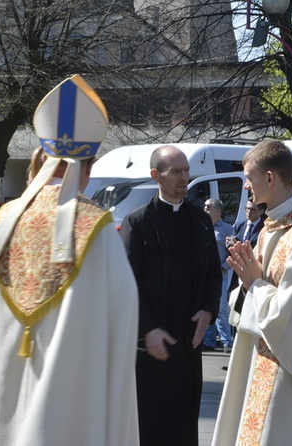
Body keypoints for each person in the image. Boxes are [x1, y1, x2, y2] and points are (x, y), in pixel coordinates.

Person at [0, 75, 139, 445]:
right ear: (86, 166)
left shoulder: (3, 222)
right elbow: (122, 318)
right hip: (68, 409)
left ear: (42, 159)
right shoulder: (95, 227)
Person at [212, 140, 292, 445]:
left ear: (269, 178)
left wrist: (255, 284)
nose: (245, 186)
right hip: (260, 361)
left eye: (249, 177)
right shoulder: (270, 229)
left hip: (289, 374)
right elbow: (245, 301)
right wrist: (246, 286)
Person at [120, 144, 222, 446]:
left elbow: (213, 276)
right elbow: (128, 283)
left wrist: (207, 311)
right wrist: (147, 329)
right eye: (176, 171)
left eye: (187, 171)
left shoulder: (201, 220)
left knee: (184, 428)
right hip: (150, 348)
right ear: (156, 175)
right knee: (149, 428)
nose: (184, 177)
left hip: (188, 346)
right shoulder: (137, 223)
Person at [202, 198, 235, 353]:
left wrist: (224, 267)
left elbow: (233, 253)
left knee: (221, 308)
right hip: (203, 274)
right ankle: (208, 341)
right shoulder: (201, 226)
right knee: (205, 306)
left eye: (208, 207)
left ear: (218, 211)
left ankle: (226, 341)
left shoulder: (228, 229)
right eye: (205, 207)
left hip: (220, 274)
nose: (205, 209)